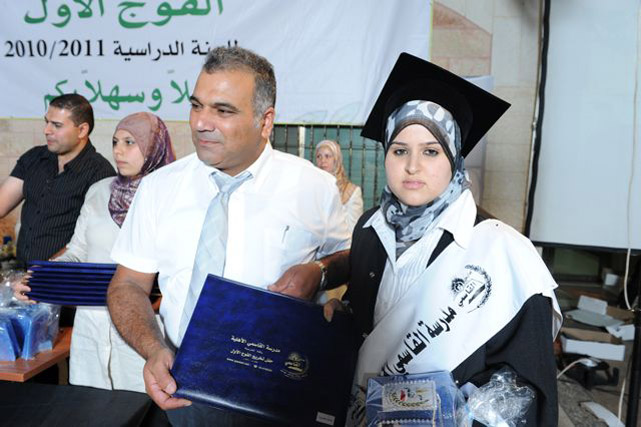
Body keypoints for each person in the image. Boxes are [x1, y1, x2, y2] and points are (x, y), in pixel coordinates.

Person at [106, 46, 350, 425]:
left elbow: (350, 262)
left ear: (265, 121)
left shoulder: (314, 188)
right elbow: (127, 285)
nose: (202, 123)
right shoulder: (159, 188)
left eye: (223, 111)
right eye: (196, 106)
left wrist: (319, 272)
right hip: (182, 392)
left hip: (279, 396)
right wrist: (153, 350)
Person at [323, 53, 562, 425]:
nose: (412, 166)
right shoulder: (369, 229)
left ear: (455, 157)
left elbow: (522, 390)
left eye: (431, 151)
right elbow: (371, 321)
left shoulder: (502, 252)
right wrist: (344, 320)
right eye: (399, 150)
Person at [14, 112, 176, 393]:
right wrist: (38, 278)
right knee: (90, 406)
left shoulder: (172, 198)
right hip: (91, 327)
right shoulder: (100, 191)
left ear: (154, 147)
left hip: (147, 332)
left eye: (129, 142)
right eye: (115, 142)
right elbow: (77, 251)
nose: (118, 151)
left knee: (145, 406)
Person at [0, 94, 116, 265]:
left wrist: (46, 269)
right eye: (46, 122)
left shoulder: (101, 174)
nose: (47, 130)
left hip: (64, 275)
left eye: (56, 125)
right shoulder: (34, 158)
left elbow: (89, 240)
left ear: (82, 130)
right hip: (22, 272)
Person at [315, 139, 364, 231]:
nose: (322, 160)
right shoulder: (312, 187)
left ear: (336, 159)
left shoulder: (351, 191)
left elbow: (353, 229)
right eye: (319, 156)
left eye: (327, 156)